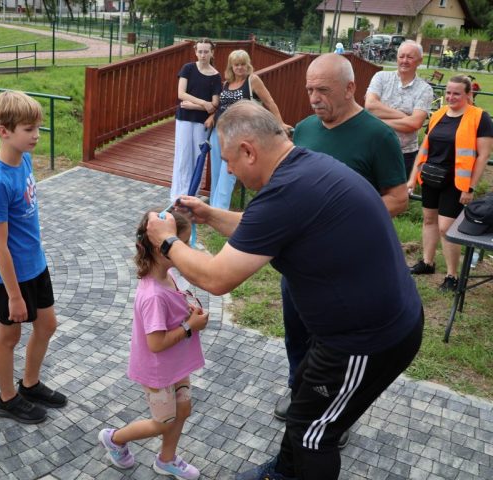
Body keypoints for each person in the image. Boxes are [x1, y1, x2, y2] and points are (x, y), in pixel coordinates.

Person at [146, 101, 424, 480]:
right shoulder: (304, 169)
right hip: (347, 330)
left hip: (367, 340)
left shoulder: (288, 191)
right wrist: (209, 214)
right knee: (303, 407)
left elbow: (216, 278)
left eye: (228, 161)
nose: (228, 170)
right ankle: (283, 472)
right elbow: (264, 225)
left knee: (315, 435)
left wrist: (166, 242)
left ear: (248, 151)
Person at [273, 53, 410, 436]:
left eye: (323, 90)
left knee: (332, 343)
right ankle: (298, 389)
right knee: (296, 332)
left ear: (350, 88)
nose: (314, 98)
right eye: (309, 90)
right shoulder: (304, 129)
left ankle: (332, 408)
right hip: (299, 264)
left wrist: (340, 219)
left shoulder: (378, 136)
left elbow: (398, 199)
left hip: (346, 270)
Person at [98, 209, 208, 479]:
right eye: (182, 243)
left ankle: (166, 459)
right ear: (161, 248)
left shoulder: (167, 276)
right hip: (158, 370)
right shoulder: (153, 296)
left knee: (183, 409)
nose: (187, 249)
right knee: (163, 422)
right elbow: (156, 344)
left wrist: (188, 312)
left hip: (175, 363)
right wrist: (189, 326)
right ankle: (114, 439)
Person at [0, 91, 66, 424]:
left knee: (47, 324)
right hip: (9, 276)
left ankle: (29, 384)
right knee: (9, 336)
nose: (36, 135)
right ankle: (7, 399)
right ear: (4, 131)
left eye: (37, 128)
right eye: (29, 129)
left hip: (35, 265)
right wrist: (14, 296)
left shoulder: (24, 160)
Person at [408, 75, 493, 292]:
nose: (450, 97)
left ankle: (452, 275)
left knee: (446, 228)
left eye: (456, 93)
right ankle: (427, 262)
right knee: (429, 220)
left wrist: (470, 187)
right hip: (431, 176)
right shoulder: (438, 114)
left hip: (456, 182)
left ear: (468, 94)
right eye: (448, 92)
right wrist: (413, 176)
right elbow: (425, 147)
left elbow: (483, 156)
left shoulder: (479, 117)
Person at [206, 49, 289, 210]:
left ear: (247, 65)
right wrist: (211, 117)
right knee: (216, 171)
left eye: (243, 64)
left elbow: (269, 102)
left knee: (228, 172)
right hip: (218, 131)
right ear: (231, 66)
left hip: (238, 133)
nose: (240, 68)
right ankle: (212, 208)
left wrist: (280, 123)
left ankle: (220, 209)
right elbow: (222, 106)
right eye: (236, 64)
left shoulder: (252, 80)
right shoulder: (227, 83)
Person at [365, 40, 434, 176]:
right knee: (366, 188)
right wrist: (405, 117)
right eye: (401, 56)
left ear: (420, 61)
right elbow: (370, 106)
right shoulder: (381, 77)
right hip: (373, 149)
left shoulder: (425, 89)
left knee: (396, 190)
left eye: (410, 57)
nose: (404, 61)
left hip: (403, 154)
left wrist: (377, 122)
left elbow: (414, 124)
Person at [170, 39, 221, 202]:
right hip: (184, 118)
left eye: (206, 51)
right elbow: (181, 94)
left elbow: (215, 105)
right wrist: (203, 103)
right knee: (183, 155)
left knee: (198, 157)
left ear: (212, 52)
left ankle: (191, 194)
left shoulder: (216, 76)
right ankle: (177, 195)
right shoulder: (188, 68)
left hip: (202, 122)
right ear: (195, 52)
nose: (203, 55)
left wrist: (194, 106)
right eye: (200, 51)